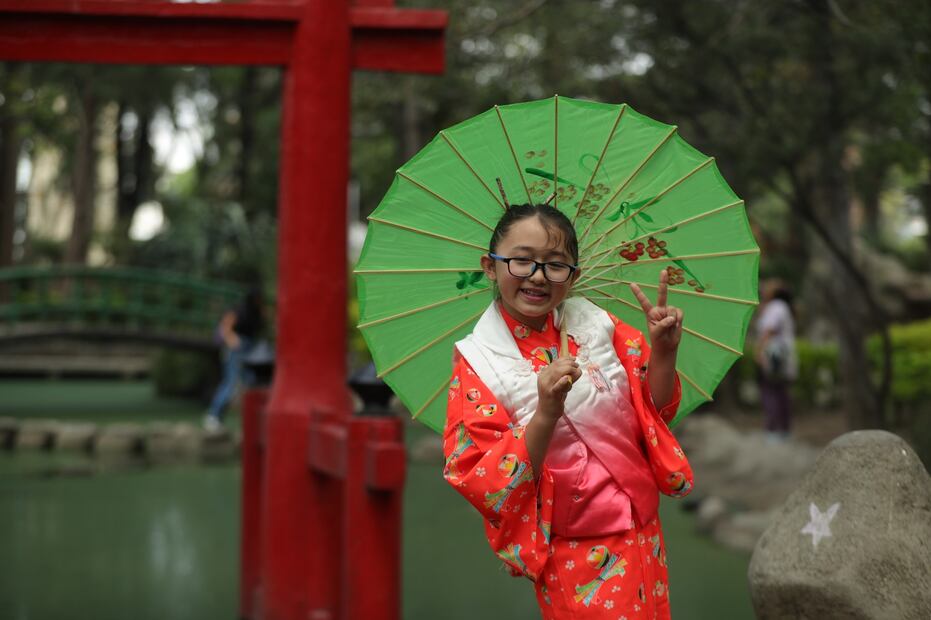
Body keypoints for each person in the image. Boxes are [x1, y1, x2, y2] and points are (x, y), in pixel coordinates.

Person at [443, 203, 692, 619]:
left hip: (641, 526)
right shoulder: (480, 360)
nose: (538, 276)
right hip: (574, 544)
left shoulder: (597, 325)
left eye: (555, 265)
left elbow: (654, 409)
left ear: (573, 276)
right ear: (490, 266)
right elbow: (480, 474)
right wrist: (545, 412)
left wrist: (664, 353)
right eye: (521, 260)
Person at [203, 286, 265, 432]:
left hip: (249, 349)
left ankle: (251, 421)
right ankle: (213, 416)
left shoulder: (256, 312)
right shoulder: (239, 309)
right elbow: (225, 327)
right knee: (231, 382)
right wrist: (233, 342)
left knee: (250, 381)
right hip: (236, 349)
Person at [754, 279, 797, 441]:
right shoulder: (783, 307)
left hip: (773, 358)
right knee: (781, 392)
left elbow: (769, 329)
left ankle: (773, 430)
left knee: (770, 391)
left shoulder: (776, 307)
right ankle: (784, 429)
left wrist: (759, 350)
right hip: (783, 357)